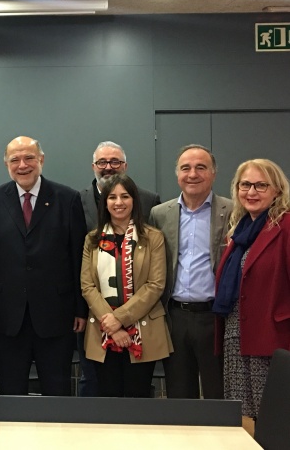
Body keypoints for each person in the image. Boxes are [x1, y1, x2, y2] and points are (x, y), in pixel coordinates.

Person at [0, 136, 87, 396]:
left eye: (29, 158)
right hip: (6, 317)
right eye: (15, 159)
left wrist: (80, 309)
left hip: (56, 315)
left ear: (42, 160)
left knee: (56, 390)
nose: (22, 165)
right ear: (6, 164)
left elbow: (78, 257)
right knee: (11, 392)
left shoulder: (67, 199)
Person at [79, 141, 161, 396]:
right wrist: (111, 324)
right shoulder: (92, 239)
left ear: (135, 201)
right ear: (104, 203)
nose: (118, 203)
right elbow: (87, 285)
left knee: (137, 402)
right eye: (112, 197)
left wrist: (120, 320)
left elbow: (155, 285)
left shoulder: (153, 237)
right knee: (107, 400)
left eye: (125, 196)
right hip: (102, 331)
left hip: (142, 330)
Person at [149, 145, 229, 399]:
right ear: (177, 174)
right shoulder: (160, 214)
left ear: (213, 174)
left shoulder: (232, 211)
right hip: (175, 317)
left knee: (218, 394)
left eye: (201, 167)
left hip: (215, 318)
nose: (192, 174)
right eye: (186, 168)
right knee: (179, 394)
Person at [214, 158, 290, 419]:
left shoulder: (286, 226)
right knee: (242, 416)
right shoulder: (239, 230)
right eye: (245, 185)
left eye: (260, 185)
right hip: (236, 336)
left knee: (273, 416)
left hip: (273, 337)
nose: (251, 192)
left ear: (277, 190)